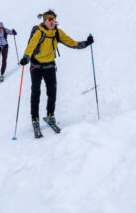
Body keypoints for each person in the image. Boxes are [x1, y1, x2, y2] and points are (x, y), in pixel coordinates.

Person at [19, 9, 93, 137]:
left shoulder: (57, 33)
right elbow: (31, 46)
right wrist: (26, 57)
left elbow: (71, 42)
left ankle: (50, 115)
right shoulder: (39, 33)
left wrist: (86, 43)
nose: (52, 22)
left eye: (53, 19)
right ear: (44, 21)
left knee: (52, 92)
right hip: (36, 67)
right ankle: (35, 119)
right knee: (35, 92)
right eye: (49, 20)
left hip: (50, 66)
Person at [0, 22, 17, 86]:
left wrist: (14, 32)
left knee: (4, 61)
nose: (0, 29)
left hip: (5, 47)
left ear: (3, 27)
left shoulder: (5, 30)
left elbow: (11, 32)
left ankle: (2, 74)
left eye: (1, 28)